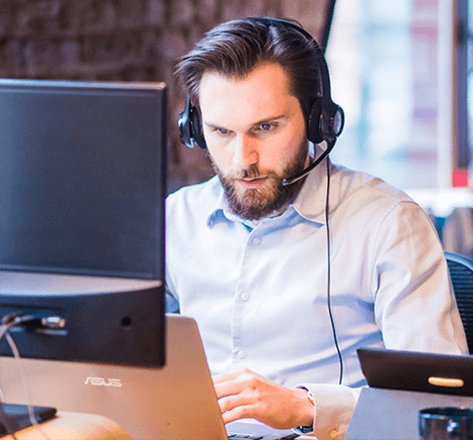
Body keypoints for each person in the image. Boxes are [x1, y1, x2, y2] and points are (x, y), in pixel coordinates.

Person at [165, 17, 468, 440]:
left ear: (318, 119)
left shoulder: (388, 222)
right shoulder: (175, 220)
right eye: (221, 132)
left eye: (265, 128)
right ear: (194, 128)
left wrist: (306, 406)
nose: (242, 159)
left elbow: (440, 405)